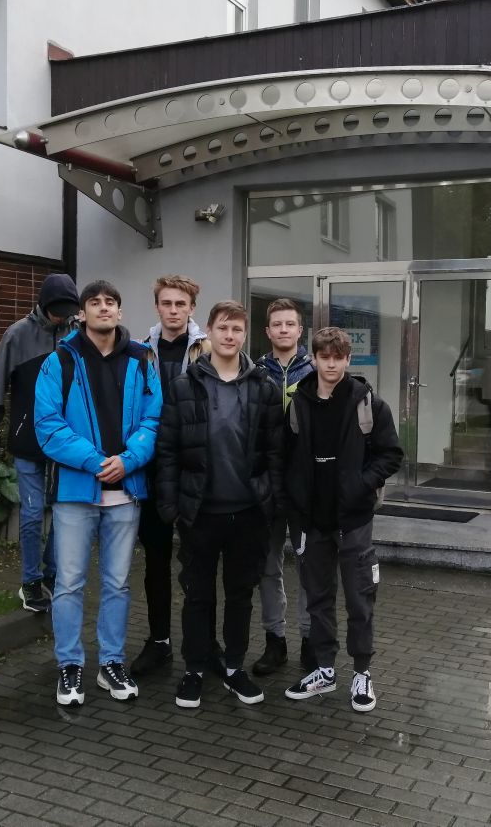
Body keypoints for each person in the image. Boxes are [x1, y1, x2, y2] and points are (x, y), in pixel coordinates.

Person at [34, 280, 162, 706]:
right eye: (95, 302)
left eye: (110, 302)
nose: (103, 308)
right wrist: (95, 461)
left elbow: (154, 420)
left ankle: (111, 663)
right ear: (82, 313)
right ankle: (70, 666)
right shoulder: (59, 361)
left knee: (117, 584)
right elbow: (48, 426)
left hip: (126, 492)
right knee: (69, 583)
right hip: (76, 494)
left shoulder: (142, 360)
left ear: (120, 312)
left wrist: (129, 459)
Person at [156, 300, 285, 709]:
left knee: (240, 595)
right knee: (197, 595)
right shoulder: (184, 386)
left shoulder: (264, 387)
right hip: (199, 513)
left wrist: (270, 501)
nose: (230, 336)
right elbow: (168, 450)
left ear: (246, 335)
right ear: (209, 332)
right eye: (223, 328)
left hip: (248, 513)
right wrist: (171, 507)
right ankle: (194, 669)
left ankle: (233, 667)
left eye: (237, 329)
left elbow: (275, 452)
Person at [283, 327, 402, 713]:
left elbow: (391, 454)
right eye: (325, 357)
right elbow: (285, 456)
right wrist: (294, 499)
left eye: (338, 358)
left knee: (359, 598)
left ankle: (362, 673)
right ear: (314, 358)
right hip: (311, 520)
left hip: (353, 520)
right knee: (317, 599)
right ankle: (324, 669)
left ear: (348, 359)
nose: (331, 364)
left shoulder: (369, 403)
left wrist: (360, 485)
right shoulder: (298, 403)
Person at [0, 273, 80, 613]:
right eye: (56, 311)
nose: (61, 318)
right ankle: (31, 581)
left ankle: (53, 575)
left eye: (67, 312)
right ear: (44, 305)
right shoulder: (18, 334)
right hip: (28, 438)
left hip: (66, 441)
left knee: (65, 512)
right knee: (33, 513)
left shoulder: (77, 335)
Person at [130, 275, 211, 677]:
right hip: (151, 467)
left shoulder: (208, 349)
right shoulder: (140, 352)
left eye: (181, 303)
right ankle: (159, 641)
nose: (174, 310)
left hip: (194, 467)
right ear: (157, 307)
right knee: (156, 560)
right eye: (167, 303)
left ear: (192, 308)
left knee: (199, 562)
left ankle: (205, 644)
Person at [253, 298, 315, 676]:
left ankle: (310, 641)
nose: (283, 330)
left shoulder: (316, 371)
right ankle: (274, 641)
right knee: (267, 566)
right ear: (267, 331)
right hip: (266, 485)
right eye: (277, 324)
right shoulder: (255, 373)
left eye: (290, 324)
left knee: (309, 568)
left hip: (304, 488)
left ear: (300, 330)